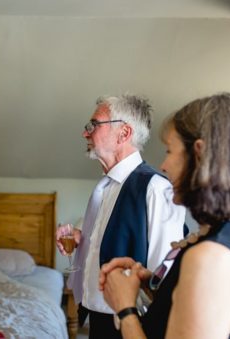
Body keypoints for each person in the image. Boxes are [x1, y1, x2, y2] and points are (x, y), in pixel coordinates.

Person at [99, 93, 230, 338]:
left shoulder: (210, 259)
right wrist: (150, 282)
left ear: (199, 154)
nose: (163, 165)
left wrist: (125, 308)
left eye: (169, 151)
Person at [55, 95, 187, 338]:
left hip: (131, 324)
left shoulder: (156, 189)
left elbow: (164, 278)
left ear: (124, 133)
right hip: (99, 318)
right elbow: (113, 237)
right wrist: (81, 238)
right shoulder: (107, 187)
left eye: (94, 125)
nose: (86, 133)